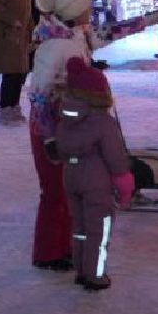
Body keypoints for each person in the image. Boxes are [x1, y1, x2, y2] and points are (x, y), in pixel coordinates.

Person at [27, 0, 97, 272]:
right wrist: (50, 137)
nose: (92, 11)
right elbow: (40, 94)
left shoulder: (72, 37)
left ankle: (63, 247)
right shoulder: (58, 46)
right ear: (75, 11)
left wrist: (150, 19)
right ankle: (48, 252)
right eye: (87, 7)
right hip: (53, 128)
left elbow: (106, 35)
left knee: (67, 190)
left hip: (66, 123)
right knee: (55, 191)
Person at [53, 57, 134, 291]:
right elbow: (115, 157)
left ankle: (81, 268)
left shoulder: (65, 118)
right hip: (96, 182)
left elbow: (60, 148)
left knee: (79, 227)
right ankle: (95, 274)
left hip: (71, 176)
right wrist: (124, 180)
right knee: (99, 228)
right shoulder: (103, 122)